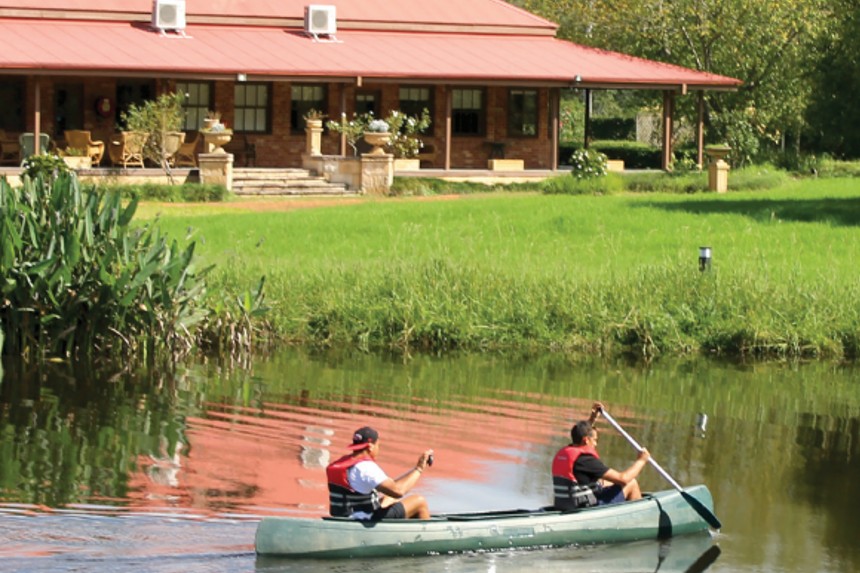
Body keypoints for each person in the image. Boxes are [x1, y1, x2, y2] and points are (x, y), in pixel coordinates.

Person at [551, 401, 650, 510]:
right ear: (586, 440)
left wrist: (592, 418)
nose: (596, 444)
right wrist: (641, 460)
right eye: (595, 440)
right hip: (584, 508)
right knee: (631, 483)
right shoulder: (586, 461)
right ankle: (638, 516)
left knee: (605, 482)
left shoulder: (567, 452)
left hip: (566, 504)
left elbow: (581, 434)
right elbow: (624, 479)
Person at [326, 426, 433, 520]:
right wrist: (419, 469)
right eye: (378, 445)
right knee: (419, 501)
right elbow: (399, 491)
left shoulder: (343, 463)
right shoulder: (366, 467)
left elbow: (392, 489)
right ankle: (428, 540)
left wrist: (414, 470)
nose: (378, 449)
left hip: (345, 517)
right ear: (370, 447)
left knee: (389, 498)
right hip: (365, 519)